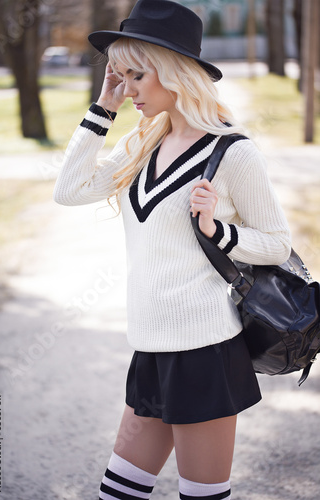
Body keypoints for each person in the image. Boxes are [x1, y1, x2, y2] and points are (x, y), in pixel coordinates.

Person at [53, 1, 291, 498]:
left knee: (200, 496)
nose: (128, 88)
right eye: (120, 75)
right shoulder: (141, 142)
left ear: (173, 72)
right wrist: (104, 109)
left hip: (204, 352)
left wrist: (217, 230)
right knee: (118, 492)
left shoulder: (233, 152)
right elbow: (70, 190)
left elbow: (275, 244)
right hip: (151, 346)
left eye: (136, 75)